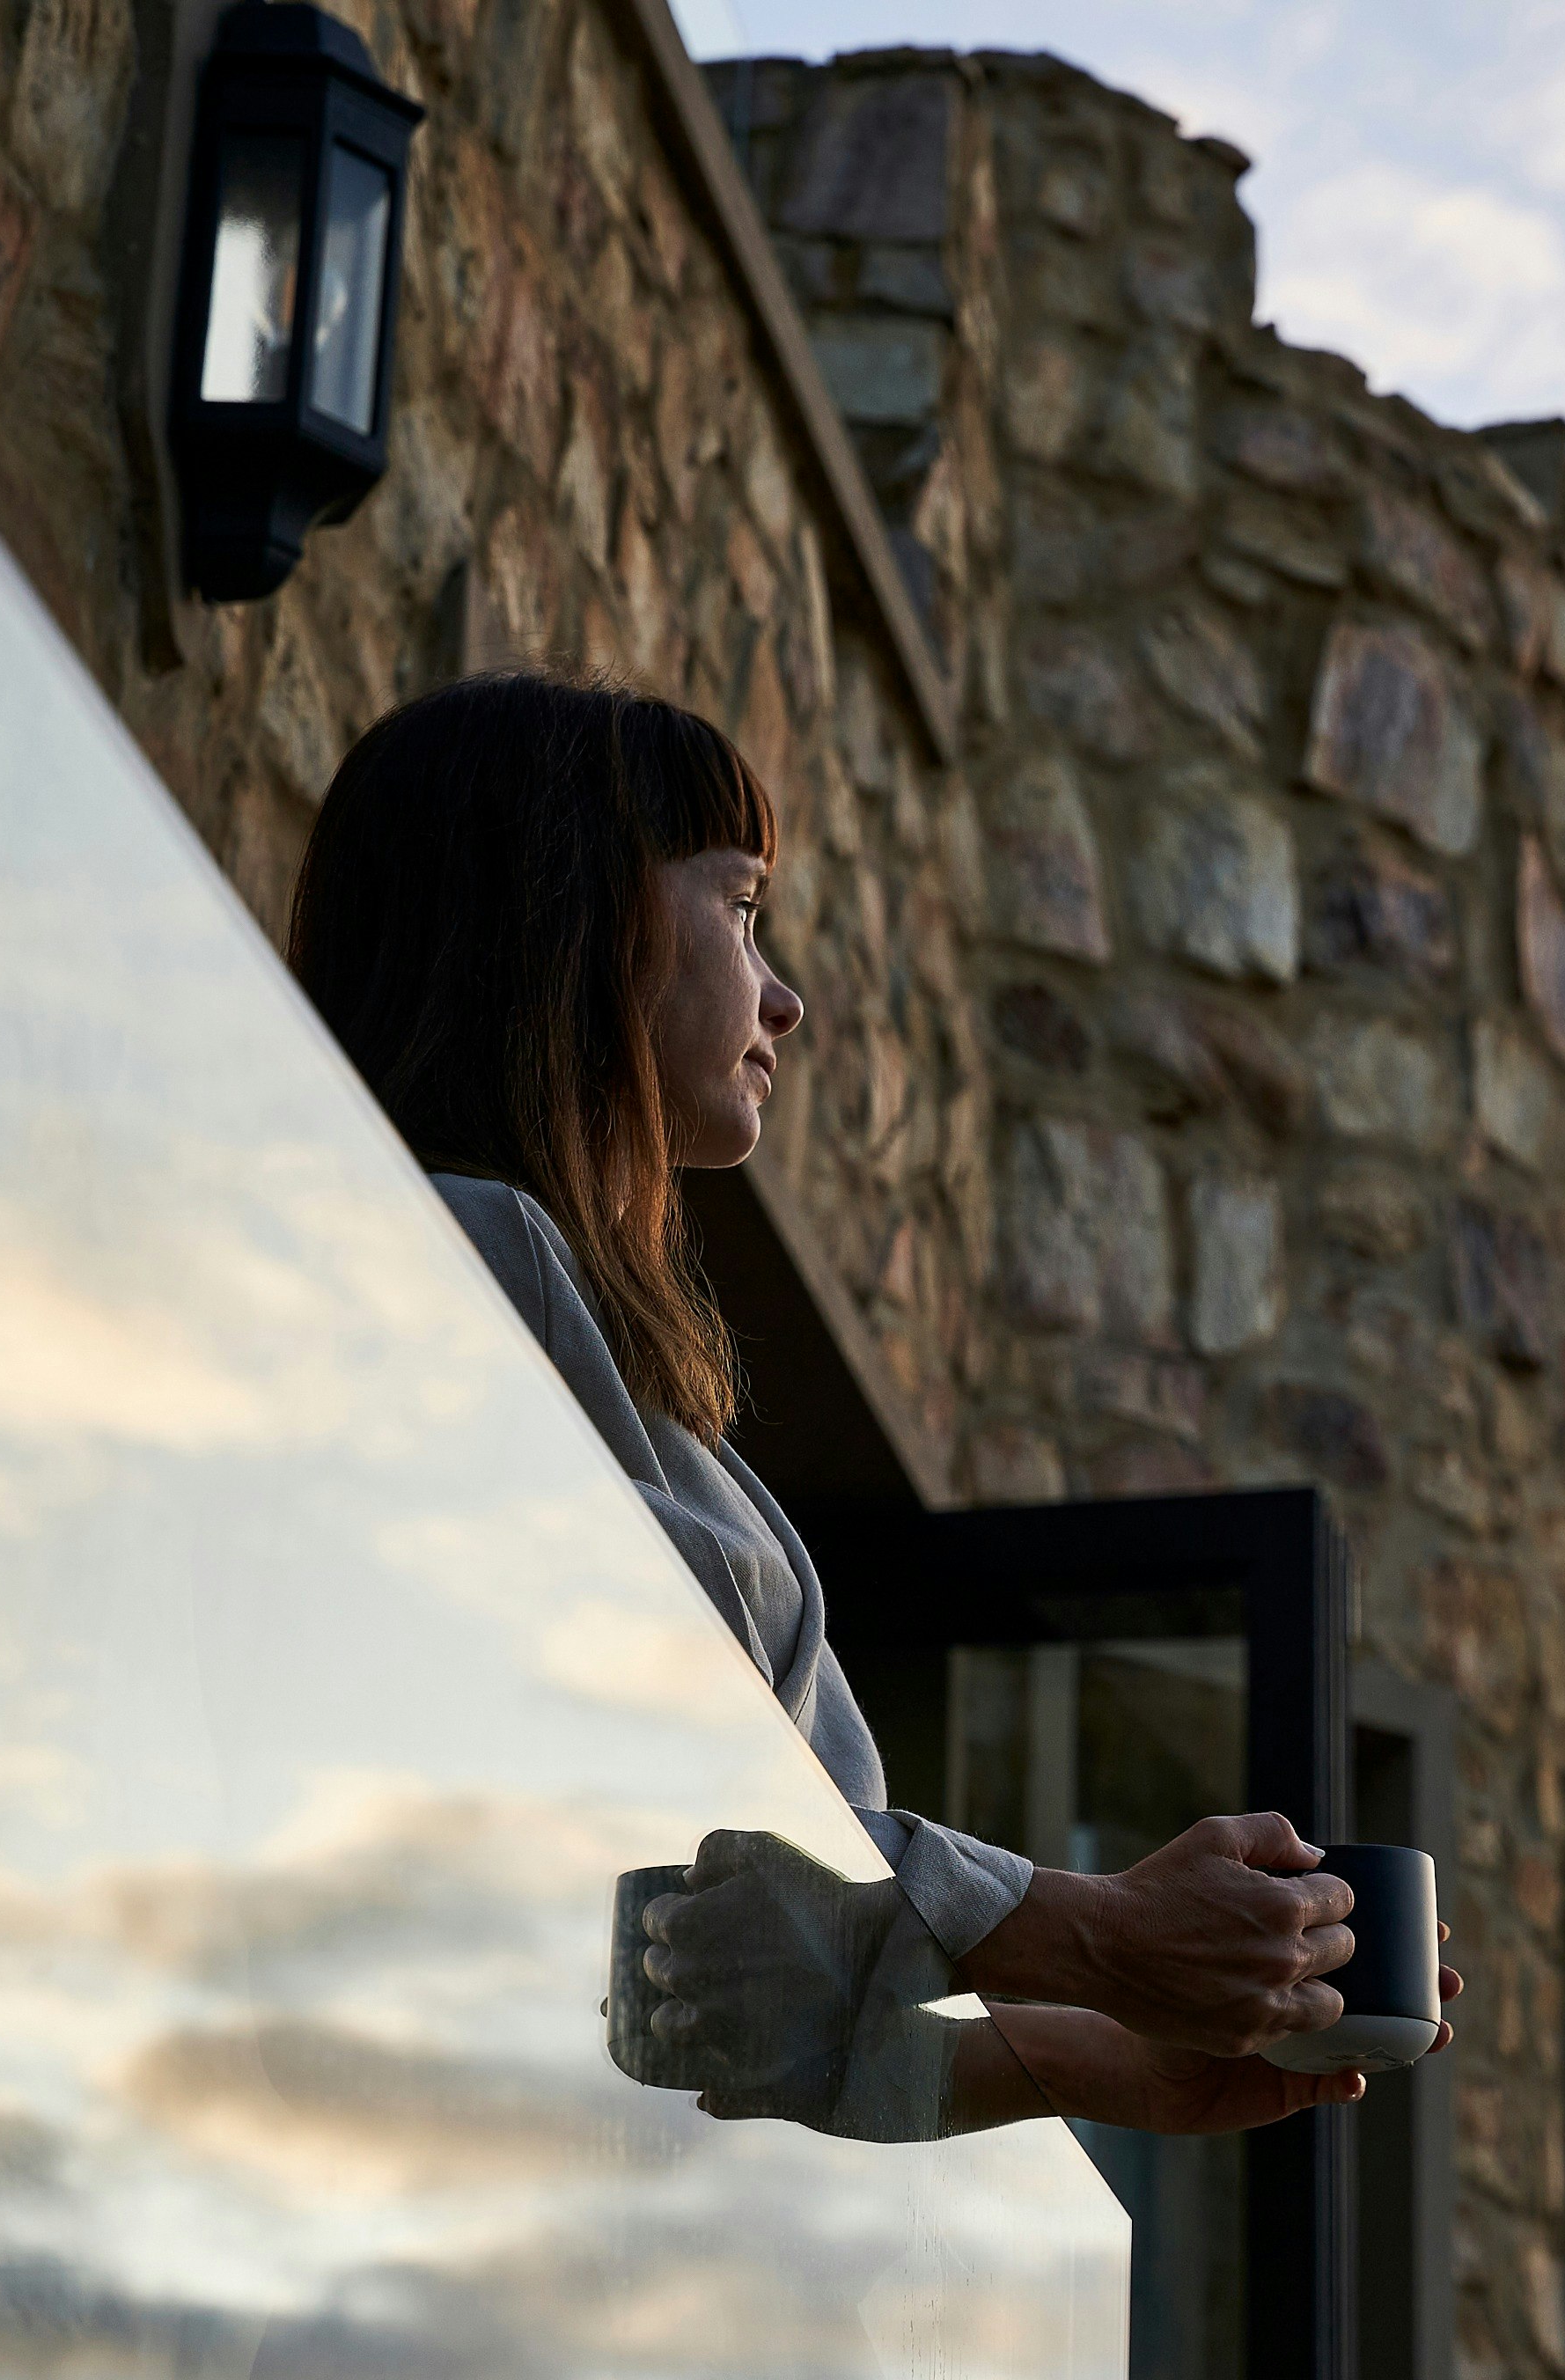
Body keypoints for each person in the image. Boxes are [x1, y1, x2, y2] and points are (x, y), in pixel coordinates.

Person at [287, 669, 1450, 2138]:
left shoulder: (616, 1382)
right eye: (740, 908)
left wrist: (1117, 2060)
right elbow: (639, 1780)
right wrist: (1098, 1934)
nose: (786, 996)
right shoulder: (457, 1262)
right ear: (574, 923)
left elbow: (711, 1990)